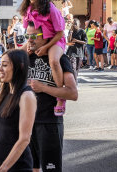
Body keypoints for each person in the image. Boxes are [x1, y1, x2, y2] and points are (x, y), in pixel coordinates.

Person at [24, 22, 78, 172]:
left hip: (49, 123)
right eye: (27, 35)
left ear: (47, 36)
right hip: (26, 123)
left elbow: (73, 93)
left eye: (34, 35)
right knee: (30, 167)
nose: (30, 39)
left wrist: (43, 88)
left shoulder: (59, 59)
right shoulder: (26, 57)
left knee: (51, 169)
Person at [18, 0, 67, 115]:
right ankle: (17, 91)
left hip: (54, 40)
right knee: (16, 57)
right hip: (37, 38)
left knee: (53, 61)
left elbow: (60, 34)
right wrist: (28, 46)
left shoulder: (51, 9)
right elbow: (29, 33)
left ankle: (61, 96)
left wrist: (46, 47)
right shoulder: (27, 10)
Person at [66, 19, 87, 83]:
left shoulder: (82, 31)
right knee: (73, 67)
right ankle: (75, 82)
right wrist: (71, 32)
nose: (74, 26)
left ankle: (74, 79)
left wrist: (77, 41)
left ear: (79, 25)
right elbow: (69, 41)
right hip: (72, 51)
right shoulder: (71, 31)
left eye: (76, 24)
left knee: (77, 69)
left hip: (79, 52)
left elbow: (85, 42)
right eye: (73, 24)